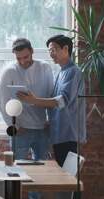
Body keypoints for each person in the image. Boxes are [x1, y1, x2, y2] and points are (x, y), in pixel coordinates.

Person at [0, 38, 54, 199]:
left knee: (40, 170)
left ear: (32, 52)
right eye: (18, 58)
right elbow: (2, 102)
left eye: (26, 57)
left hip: (42, 128)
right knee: (14, 170)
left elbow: (51, 95)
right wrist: (13, 126)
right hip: (20, 130)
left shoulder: (45, 68)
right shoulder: (9, 71)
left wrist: (49, 120)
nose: (22, 61)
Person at [18, 35, 86, 167]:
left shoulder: (73, 72)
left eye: (53, 50)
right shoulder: (61, 73)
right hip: (59, 132)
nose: (51, 54)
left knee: (68, 177)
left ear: (65, 49)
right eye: (49, 51)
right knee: (64, 174)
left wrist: (34, 100)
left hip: (68, 133)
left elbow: (61, 101)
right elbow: (55, 104)